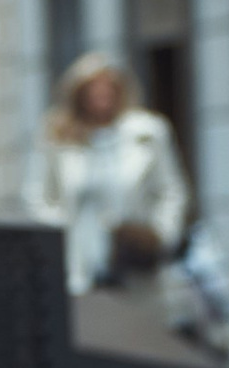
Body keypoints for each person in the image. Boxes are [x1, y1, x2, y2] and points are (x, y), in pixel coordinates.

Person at [23, 51, 191, 296]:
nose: (101, 97)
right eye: (93, 90)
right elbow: (37, 196)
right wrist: (59, 234)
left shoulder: (148, 132)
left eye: (107, 89)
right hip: (79, 262)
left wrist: (161, 235)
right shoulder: (58, 136)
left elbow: (172, 192)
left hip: (134, 261)